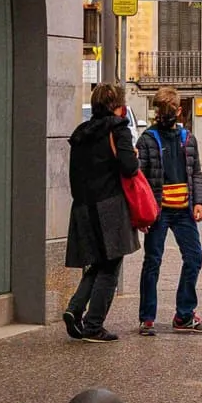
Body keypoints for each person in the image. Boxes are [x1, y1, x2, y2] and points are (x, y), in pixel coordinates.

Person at [64, 82, 140, 340]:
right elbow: (129, 167)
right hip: (110, 205)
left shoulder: (81, 133)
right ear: (117, 105)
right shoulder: (118, 129)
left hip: (83, 205)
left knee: (96, 262)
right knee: (110, 266)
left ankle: (75, 309)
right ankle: (93, 325)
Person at [136, 88, 202, 334]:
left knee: (194, 258)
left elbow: (195, 173)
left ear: (178, 111)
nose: (166, 115)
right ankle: (147, 318)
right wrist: (140, 214)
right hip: (158, 211)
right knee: (152, 262)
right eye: (162, 110)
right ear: (157, 111)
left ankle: (184, 314)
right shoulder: (147, 139)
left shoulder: (188, 139)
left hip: (184, 210)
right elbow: (140, 178)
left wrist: (199, 202)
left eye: (169, 110)